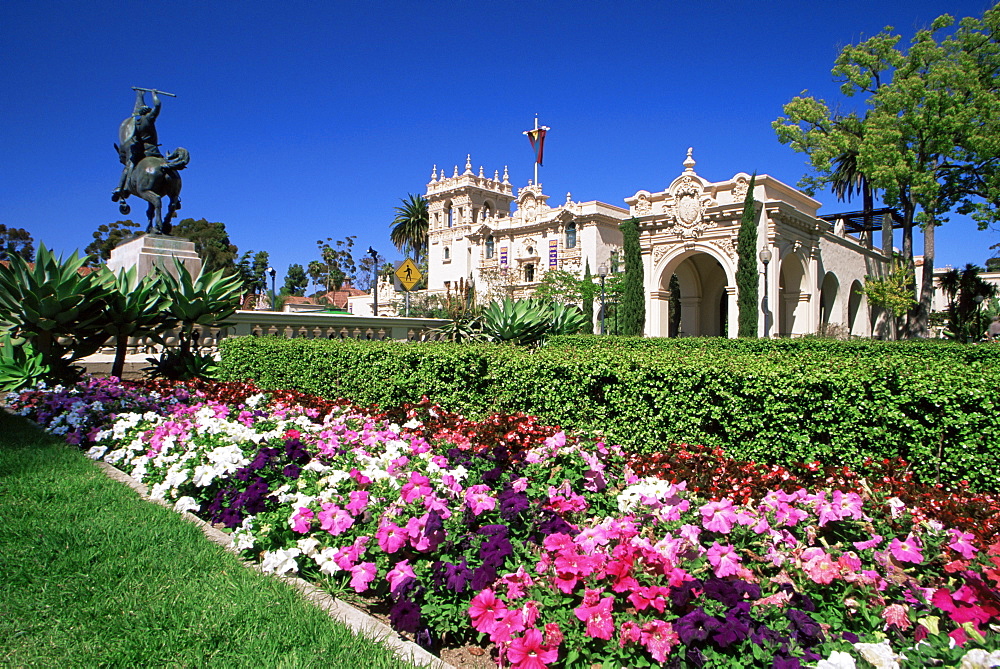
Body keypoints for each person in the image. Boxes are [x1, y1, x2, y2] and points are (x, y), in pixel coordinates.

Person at [113, 89, 162, 202]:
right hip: (154, 151)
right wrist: (154, 95)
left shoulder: (137, 125)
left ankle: (122, 187)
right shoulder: (148, 119)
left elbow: (132, 140)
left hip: (141, 152)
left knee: (129, 167)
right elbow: (158, 105)